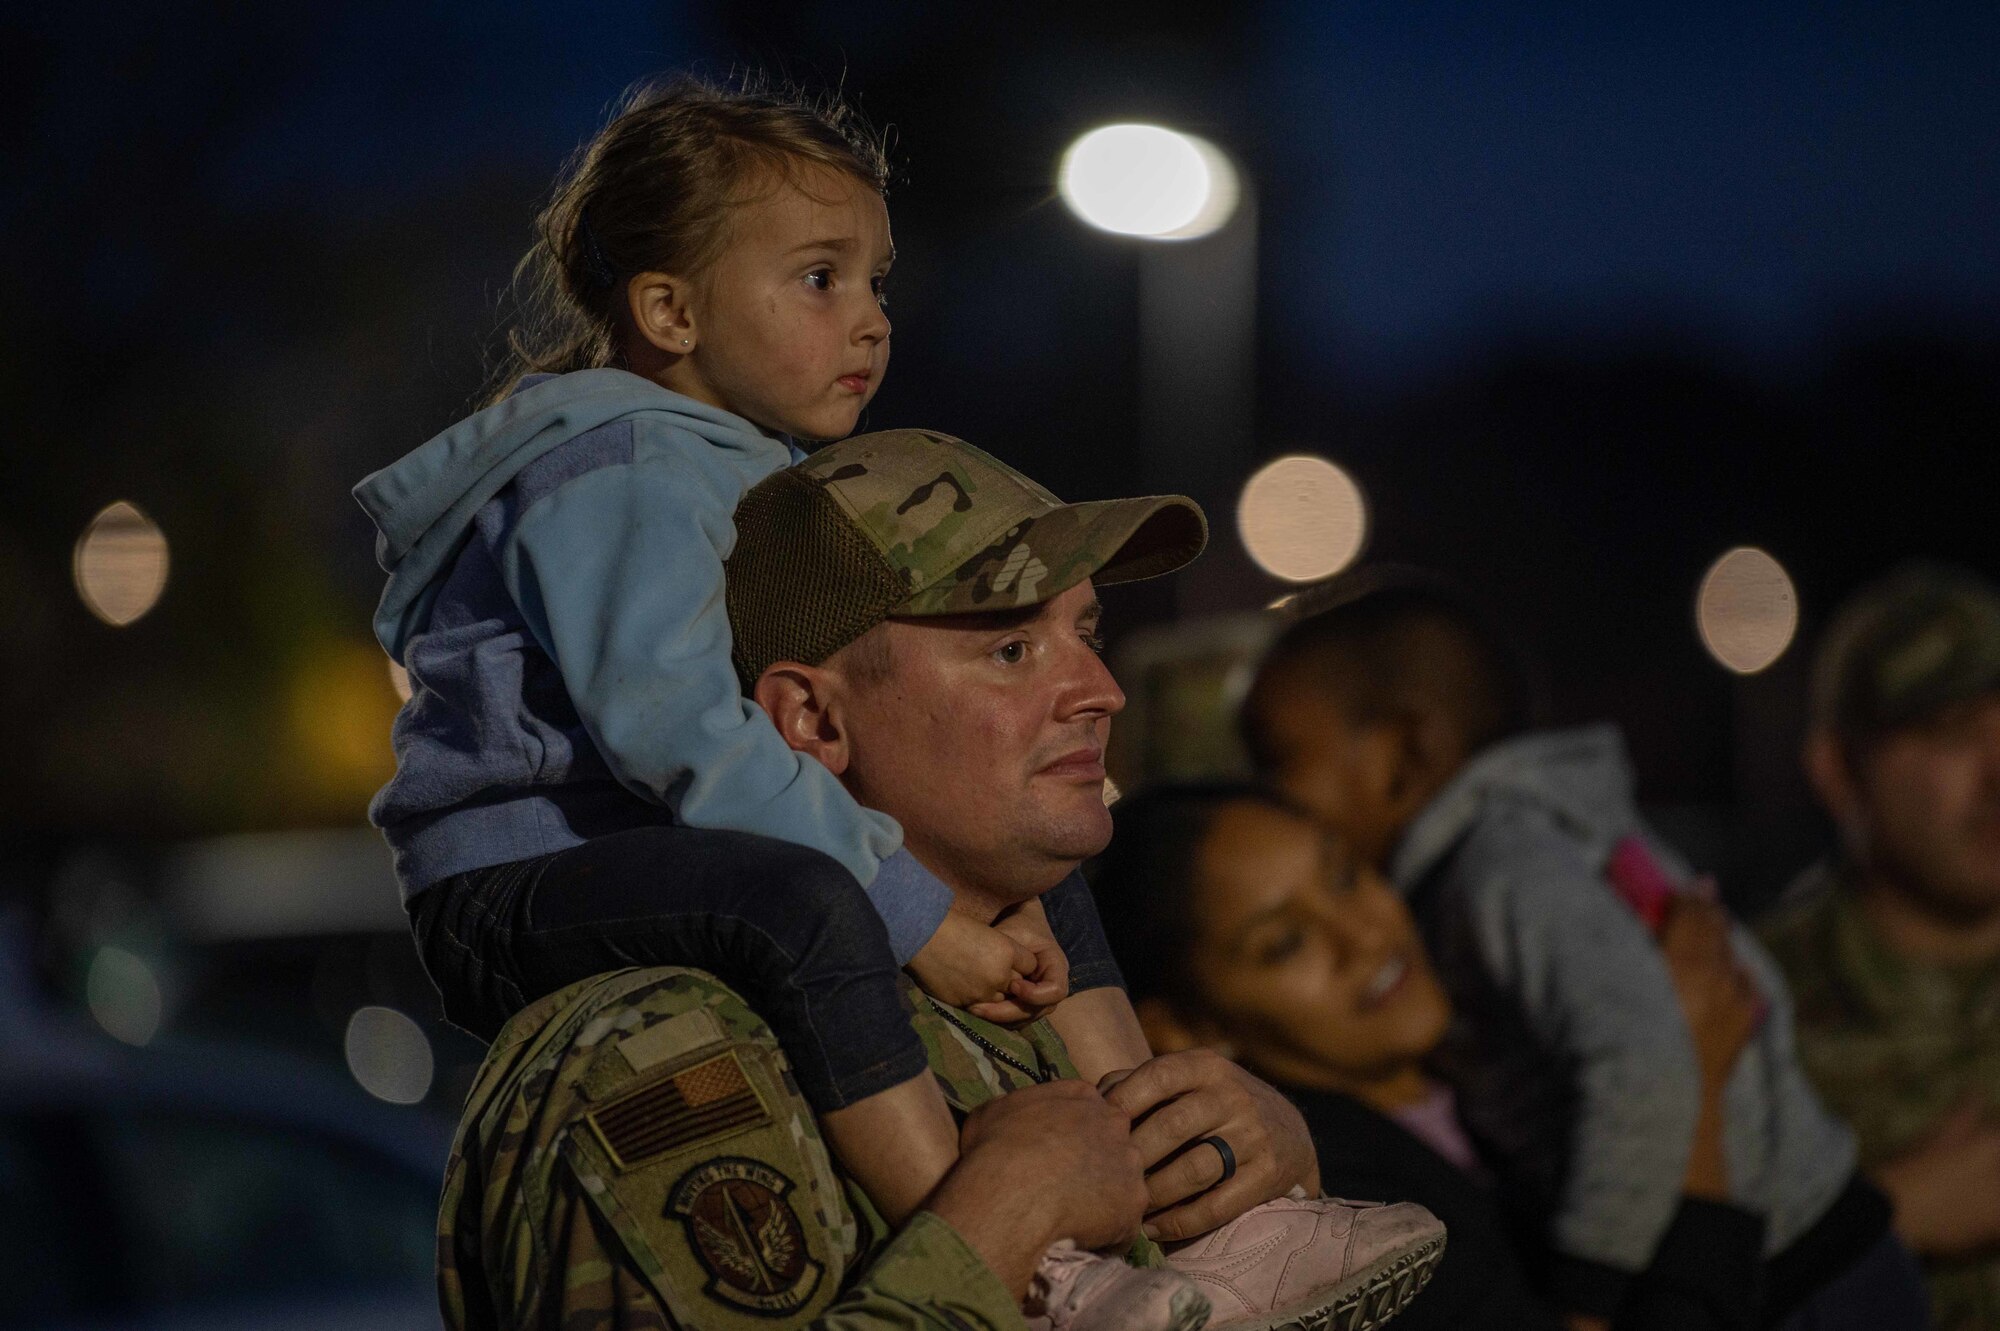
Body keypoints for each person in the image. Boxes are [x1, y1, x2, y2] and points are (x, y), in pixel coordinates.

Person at [353, 76, 1155, 1290]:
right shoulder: (618, 468)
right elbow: (675, 727)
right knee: (812, 901)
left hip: (648, 842)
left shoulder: (732, 460)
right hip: (520, 875)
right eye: (819, 278)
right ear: (668, 309)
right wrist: (915, 917)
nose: (871, 321)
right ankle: (1018, 1251)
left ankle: (1162, 1167)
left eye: (876, 281)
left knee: (1028, 851)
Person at [438, 428, 1450, 1331]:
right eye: (1011, 647)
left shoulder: (1032, 995)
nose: (1099, 691)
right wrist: (990, 1226)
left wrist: (1276, 1168)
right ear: (812, 722)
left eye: (1084, 633)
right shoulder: (661, 1049)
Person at [1239, 566, 1924, 1327]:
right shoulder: (1518, 851)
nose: (1268, 795)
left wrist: (1584, 1285)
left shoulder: (1503, 869)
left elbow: (1643, 1058)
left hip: (1799, 1273)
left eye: (1278, 758)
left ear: (1406, 751)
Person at [1091, 781, 1781, 1330]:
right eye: (1286, 943)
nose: (1363, 933)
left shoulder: (1487, 1050)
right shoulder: (1334, 1204)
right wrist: (1694, 1079)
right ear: (1185, 1025)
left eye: (1343, 876)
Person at [1760, 561, 2000, 1330]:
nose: (1998, 772)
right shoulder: (1742, 1009)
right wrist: (1884, 1217)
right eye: (1952, 732)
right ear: (1838, 770)